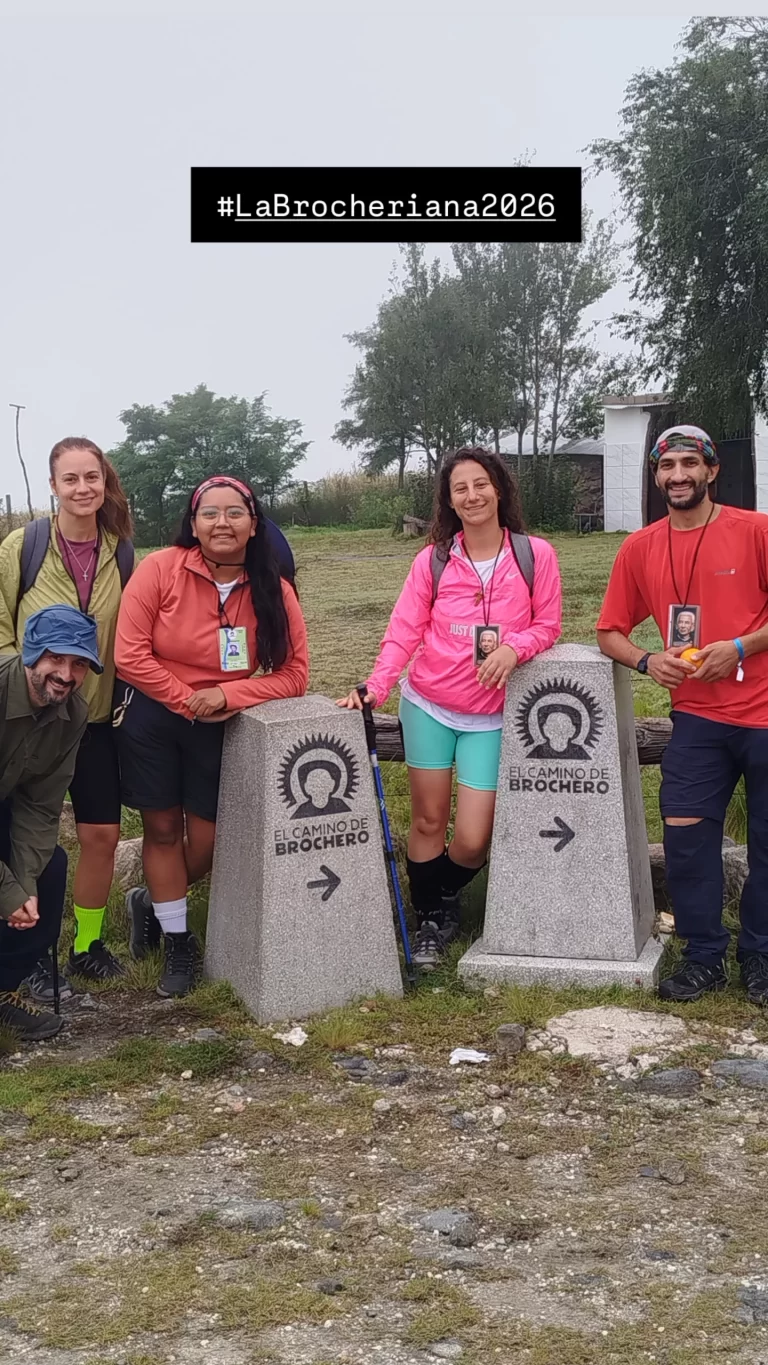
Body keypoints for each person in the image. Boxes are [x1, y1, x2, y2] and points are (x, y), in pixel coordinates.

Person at [338, 446, 562, 969]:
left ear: (499, 489)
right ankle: (431, 921)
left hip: (492, 713)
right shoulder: (433, 559)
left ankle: (439, 895)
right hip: (430, 706)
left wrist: (514, 647)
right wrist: (376, 684)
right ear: (449, 501)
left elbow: (548, 624)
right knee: (428, 819)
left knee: (473, 836)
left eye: (480, 484)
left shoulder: (535, 555)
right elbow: (404, 631)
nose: (472, 495)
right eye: (460, 488)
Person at [114, 475, 309, 997]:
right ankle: (178, 941)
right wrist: (186, 699)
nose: (222, 523)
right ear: (193, 523)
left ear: (253, 524)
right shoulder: (159, 570)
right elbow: (128, 655)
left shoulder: (275, 586)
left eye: (234, 513)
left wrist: (230, 695)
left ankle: (150, 901)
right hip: (154, 717)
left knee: (208, 841)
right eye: (210, 513)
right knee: (159, 830)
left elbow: (294, 674)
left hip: (221, 724)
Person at [596, 424, 768, 1003]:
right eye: (667, 467)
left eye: (690, 464)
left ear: (712, 471)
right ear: (656, 476)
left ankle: (760, 957)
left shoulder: (756, 531)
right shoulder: (639, 547)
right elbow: (609, 631)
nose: (678, 476)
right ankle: (703, 957)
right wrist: (647, 661)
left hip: (765, 716)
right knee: (687, 837)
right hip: (696, 720)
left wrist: (741, 647)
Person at [0, 436, 134, 997]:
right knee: (24, 834)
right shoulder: (22, 547)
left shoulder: (122, 552)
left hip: (93, 719)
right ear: (52, 486)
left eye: (92, 477)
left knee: (101, 833)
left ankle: (86, 944)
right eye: (71, 479)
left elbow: (131, 633)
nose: (83, 488)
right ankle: (27, 956)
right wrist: (35, 683)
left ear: (105, 483)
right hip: (26, 715)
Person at [0, 606, 101, 1039]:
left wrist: (22, 885)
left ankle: (3, 992)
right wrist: (6, 891)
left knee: (50, 868)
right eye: (56, 659)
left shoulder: (73, 715)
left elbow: (41, 807)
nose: (66, 673)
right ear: (32, 653)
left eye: (79, 663)